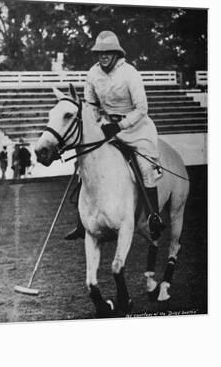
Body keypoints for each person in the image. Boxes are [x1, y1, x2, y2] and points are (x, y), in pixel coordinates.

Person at [65, 30, 164, 241]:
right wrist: (96, 122)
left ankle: (153, 217)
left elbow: (142, 108)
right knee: (86, 165)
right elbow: (90, 103)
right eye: (99, 52)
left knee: (145, 169)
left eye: (108, 51)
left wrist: (120, 125)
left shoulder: (130, 73)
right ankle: (82, 223)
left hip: (136, 128)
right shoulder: (92, 74)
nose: (103, 55)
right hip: (108, 127)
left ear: (116, 53)